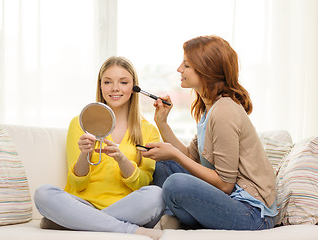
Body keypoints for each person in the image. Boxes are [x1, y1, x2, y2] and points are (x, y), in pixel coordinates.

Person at [142, 35, 277, 231]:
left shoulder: (224, 111)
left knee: (175, 183)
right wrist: (161, 122)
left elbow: (224, 184)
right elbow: (191, 156)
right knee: (163, 164)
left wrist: (174, 154)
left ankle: (178, 217)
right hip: (230, 199)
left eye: (186, 65)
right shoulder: (210, 108)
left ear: (206, 70)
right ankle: (180, 217)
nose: (179, 69)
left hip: (252, 212)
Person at [34, 56, 165, 240]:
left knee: (156, 195)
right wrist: (84, 154)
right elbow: (78, 184)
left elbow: (143, 183)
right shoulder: (80, 123)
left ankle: (73, 223)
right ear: (100, 86)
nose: (115, 88)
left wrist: (122, 159)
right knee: (43, 194)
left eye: (123, 82)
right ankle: (127, 229)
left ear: (133, 87)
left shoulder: (148, 130)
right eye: (108, 82)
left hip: (127, 206)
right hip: (82, 204)